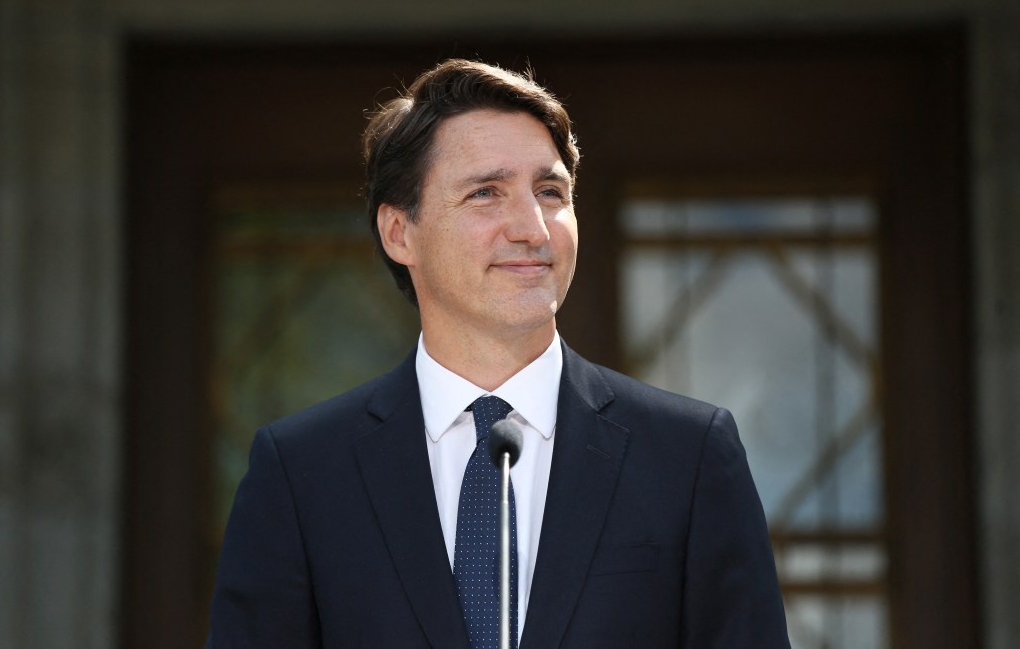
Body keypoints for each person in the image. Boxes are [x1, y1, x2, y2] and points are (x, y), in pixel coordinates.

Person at [207, 59, 790, 648]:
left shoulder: (688, 456)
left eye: (550, 192)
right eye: (486, 193)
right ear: (399, 233)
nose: (533, 228)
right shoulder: (301, 473)